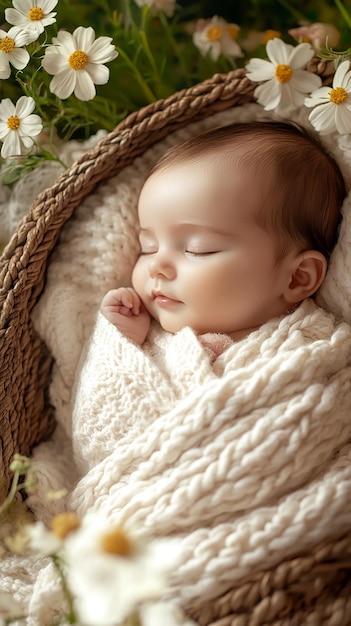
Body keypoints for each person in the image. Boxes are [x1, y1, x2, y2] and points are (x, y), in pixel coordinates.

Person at [100, 120, 346, 357]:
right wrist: (122, 339)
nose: (155, 266)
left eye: (198, 249)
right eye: (148, 248)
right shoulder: (149, 336)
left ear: (297, 278)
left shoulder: (309, 350)